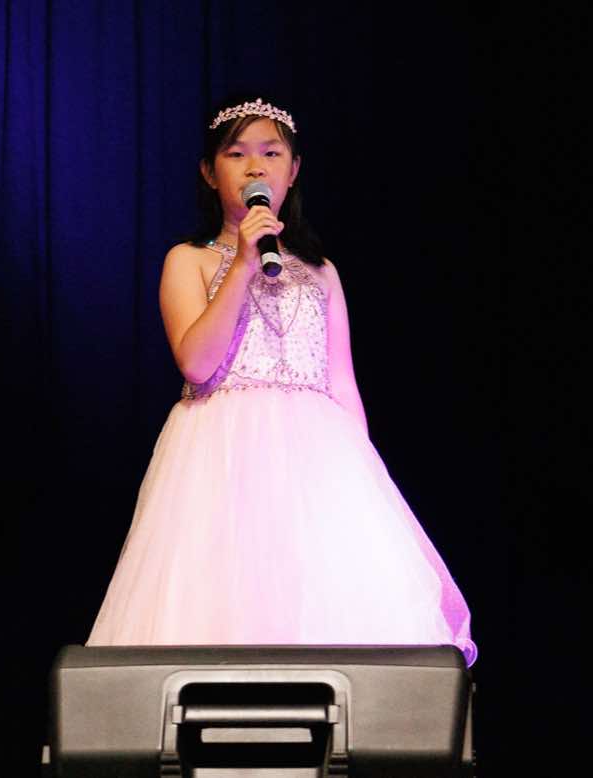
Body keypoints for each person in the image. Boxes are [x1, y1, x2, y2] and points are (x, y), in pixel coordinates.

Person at [85, 95, 476, 665]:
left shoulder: (321, 271)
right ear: (209, 172)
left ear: (293, 171)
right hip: (220, 457)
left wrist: (365, 478)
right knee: (223, 601)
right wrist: (243, 262)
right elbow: (197, 363)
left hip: (318, 460)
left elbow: (342, 381)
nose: (255, 167)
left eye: (271, 153)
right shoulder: (188, 260)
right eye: (236, 154)